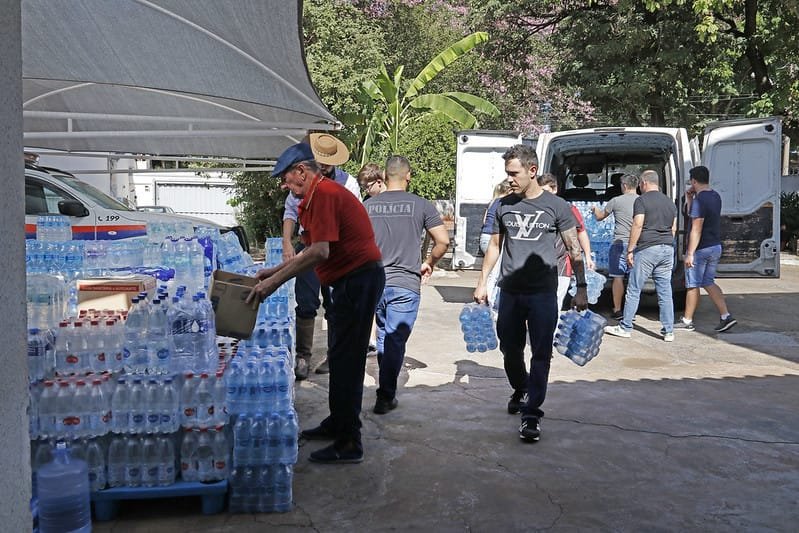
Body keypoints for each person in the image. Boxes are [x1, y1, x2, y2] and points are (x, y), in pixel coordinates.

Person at [247, 142, 385, 464]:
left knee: (348, 360)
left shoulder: (324, 194)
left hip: (358, 280)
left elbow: (319, 252)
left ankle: (350, 441)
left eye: (285, 178)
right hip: (349, 281)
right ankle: (338, 422)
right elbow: (310, 251)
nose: (283, 185)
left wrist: (272, 283)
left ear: (302, 171)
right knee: (339, 356)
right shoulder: (312, 198)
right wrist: (274, 269)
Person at [474, 144, 588, 443]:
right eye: (507, 173)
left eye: (514, 173)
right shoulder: (503, 206)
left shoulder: (557, 207)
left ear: (532, 171)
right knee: (509, 349)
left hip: (542, 293)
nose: (509, 179)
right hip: (509, 292)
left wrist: (581, 288)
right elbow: (495, 247)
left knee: (541, 352)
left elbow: (574, 249)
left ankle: (532, 413)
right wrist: (482, 281)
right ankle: (521, 387)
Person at [364, 155, 450, 414]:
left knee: (383, 336)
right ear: (408, 176)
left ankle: (385, 389)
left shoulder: (368, 206)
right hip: (405, 283)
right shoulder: (421, 205)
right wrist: (429, 262)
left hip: (374, 282)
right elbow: (443, 241)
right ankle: (386, 394)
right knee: (394, 339)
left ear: (384, 178)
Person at [281, 133, 360, 380]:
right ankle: (303, 357)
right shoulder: (304, 178)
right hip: (309, 247)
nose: (324, 166)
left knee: (335, 306)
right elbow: (290, 212)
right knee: (306, 303)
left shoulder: (349, 183)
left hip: (337, 252)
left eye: (328, 162)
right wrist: (286, 242)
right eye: (320, 160)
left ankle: (334, 356)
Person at [604, 170, 677, 342]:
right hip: (667, 249)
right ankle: (669, 331)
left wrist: (630, 249)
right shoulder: (669, 202)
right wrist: (666, 243)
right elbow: (673, 228)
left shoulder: (641, 200)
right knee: (665, 291)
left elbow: (637, 224)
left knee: (634, 288)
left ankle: (625, 327)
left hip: (647, 249)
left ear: (643, 183)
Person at [674, 165, 737, 332]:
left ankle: (687, 321)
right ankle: (726, 316)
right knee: (708, 282)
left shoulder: (700, 201)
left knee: (692, 284)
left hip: (701, 249)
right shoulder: (715, 196)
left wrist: (690, 253)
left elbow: (696, 228)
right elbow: (691, 214)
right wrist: (689, 198)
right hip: (715, 246)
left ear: (694, 181)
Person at [537, 173, 595, 310]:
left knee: (553, 307)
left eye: (546, 191)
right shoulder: (535, 209)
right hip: (537, 268)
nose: (543, 196)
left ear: (555, 189)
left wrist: (587, 256)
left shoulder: (567, 209)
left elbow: (580, 233)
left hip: (560, 267)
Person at [592, 173, 639, 320]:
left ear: (624, 186)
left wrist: (594, 209)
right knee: (634, 279)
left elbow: (600, 217)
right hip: (638, 245)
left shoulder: (616, 201)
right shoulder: (642, 201)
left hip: (619, 244)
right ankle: (631, 312)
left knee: (617, 278)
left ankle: (617, 309)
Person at [357, 162, 387, 355]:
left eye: (367, 187)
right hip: (373, 261)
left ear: (378, 182)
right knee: (373, 304)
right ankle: (373, 340)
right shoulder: (366, 205)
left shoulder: (393, 202)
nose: (366, 191)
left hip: (390, 260)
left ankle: (380, 341)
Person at [480, 181, 511, 255]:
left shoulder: (492, 202)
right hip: (494, 239)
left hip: (485, 238)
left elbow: (484, 221)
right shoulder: (504, 203)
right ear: (509, 190)